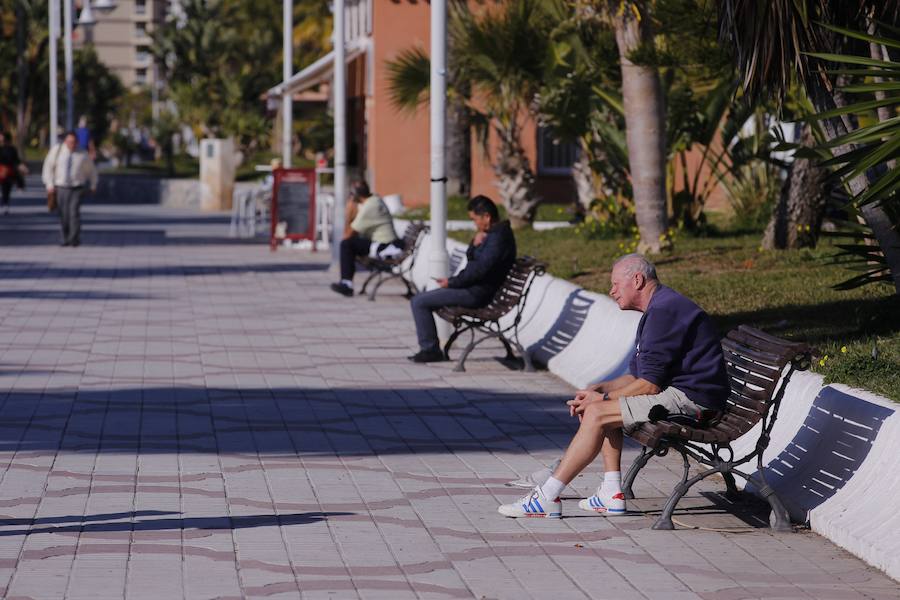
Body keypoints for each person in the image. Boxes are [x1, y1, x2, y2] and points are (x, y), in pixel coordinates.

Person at [498, 254, 729, 518]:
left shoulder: (663, 312)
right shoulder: (658, 309)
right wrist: (598, 389)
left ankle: (547, 496)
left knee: (598, 412)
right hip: (683, 394)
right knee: (599, 407)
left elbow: (649, 386)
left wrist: (602, 400)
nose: (611, 291)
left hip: (694, 402)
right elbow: (636, 375)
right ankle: (611, 493)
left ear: (638, 280)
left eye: (616, 284)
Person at [408, 195, 516, 363]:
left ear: (486, 217)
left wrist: (451, 283)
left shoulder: (498, 239)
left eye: (475, 219)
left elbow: (479, 270)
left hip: (477, 294)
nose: (475, 224)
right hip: (473, 289)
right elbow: (475, 262)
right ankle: (430, 349)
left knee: (419, 302)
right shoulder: (494, 235)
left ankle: (430, 350)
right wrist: (474, 244)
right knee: (420, 299)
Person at [330, 180, 403, 297]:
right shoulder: (374, 200)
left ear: (356, 195)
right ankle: (346, 282)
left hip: (385, 246)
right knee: (349, 244)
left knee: (346, 244)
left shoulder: (370, 206)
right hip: (384, 243)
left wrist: (348, 213)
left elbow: (348, 234)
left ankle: (347, 284)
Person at [42, 131, 98, 247]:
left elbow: (91, 171)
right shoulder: (57, 151)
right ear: (65, 141)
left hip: (77, 187)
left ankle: (74, 239)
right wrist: (49, 185)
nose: (71, 144)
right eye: (68, 142)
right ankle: (64, 237)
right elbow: (48, 167)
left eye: (73, 142)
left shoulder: (82, 153)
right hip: (61, 187)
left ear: (77, 142)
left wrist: (93, 184)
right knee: (63, 214)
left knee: (74, 213)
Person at [0, 131, 25, 216]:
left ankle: (6, 204)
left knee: (6, 188)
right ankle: (5, 203)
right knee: (4, 188)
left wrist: (21, 166)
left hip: (9, 171)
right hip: (1, 171)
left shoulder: (12, 149)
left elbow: (16, 160)